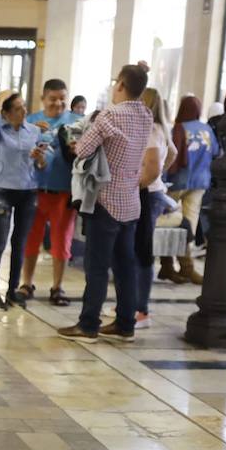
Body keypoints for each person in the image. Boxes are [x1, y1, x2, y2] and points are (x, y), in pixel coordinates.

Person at [58, 64, 152, 342]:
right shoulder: (146, 114)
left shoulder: (110, 114)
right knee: (125, 265)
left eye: (115, 83)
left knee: (97, 266)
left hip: (106, 199)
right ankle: (125, 323)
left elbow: (83, 150)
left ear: (121, 84)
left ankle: (88, 324)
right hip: (131, 201)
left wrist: (77, 143)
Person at [17, 78, 79, 306]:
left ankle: (57, 286)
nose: (58, 103)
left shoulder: (76, 122)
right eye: (52, 99)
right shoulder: (31, 121)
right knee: (30, 239)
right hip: (32, 190)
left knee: (61, 240)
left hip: (64, 191)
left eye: (62, 98)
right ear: (43, 98)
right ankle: (26, 283)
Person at [0, 92, 45, 311]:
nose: (24, 111)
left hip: (28, 192)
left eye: (24, 106)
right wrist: (0, 100)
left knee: (20, 244)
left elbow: (41, 165)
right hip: (3, 192)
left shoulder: (35, 131)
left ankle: (12, 290)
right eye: (17, 108)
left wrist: (39, 158)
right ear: (6, 113)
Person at [134, 88, 178, 329]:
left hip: (147, 194)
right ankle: (135, 304)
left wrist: (141, 182)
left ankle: (141, 310)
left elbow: (152, 167)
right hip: (155, 192)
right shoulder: (161, 129)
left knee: (141, 253)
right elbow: (172, 152)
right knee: (139, 250)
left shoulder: (149, 129)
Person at [164, 96, 219, 284]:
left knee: (168, 224)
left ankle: (171, 266)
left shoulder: (178, 129)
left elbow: (168, 156)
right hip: (200, 184)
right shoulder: (207, 130)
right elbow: (216, 152)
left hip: (176, 183)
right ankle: (179, 267)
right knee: (188, 228)